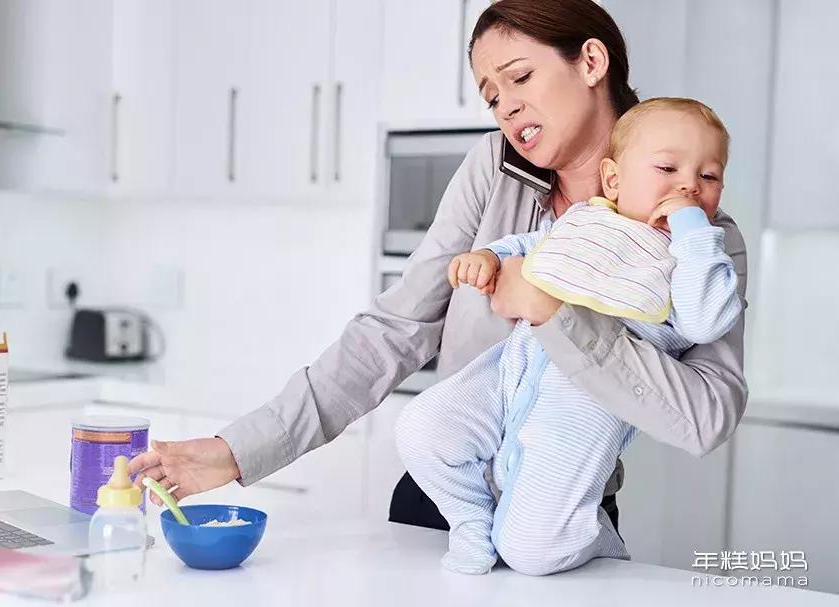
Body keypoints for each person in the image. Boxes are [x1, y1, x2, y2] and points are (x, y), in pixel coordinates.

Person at [129, 0, 748, 542]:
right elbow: (393, 331)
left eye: (520, 77)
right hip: (439, 499)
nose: (507, 108)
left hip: (564, 518)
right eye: (492, 96)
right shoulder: (494, 169)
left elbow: (705, 416)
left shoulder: (703, 243)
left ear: (591, 62)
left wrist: (554, 314)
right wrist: (239, 451)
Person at [396, 97, 742, 576]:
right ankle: (470, 521)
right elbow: (533, 248)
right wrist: (492, 258)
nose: (688, 185)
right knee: (422, 426)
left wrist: (691, 231)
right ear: (615, 179)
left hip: (585, 401)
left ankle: (597, 536)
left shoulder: (695, 256)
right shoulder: (589, 220)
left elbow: (707, 320)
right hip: (511, 368)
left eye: (709, 177)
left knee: (531, 553)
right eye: (668, 168)